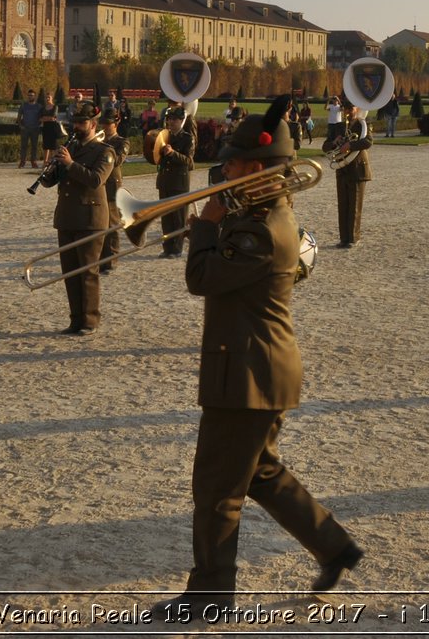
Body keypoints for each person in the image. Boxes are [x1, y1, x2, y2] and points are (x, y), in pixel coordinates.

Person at [155, 96, 362, 617]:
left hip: (247, 374)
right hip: (256, 369)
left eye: (236, 164)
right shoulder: (260, 216)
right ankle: (335, 547)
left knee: (217, 490)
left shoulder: (262, 229)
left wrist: (205, 223)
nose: (226, 169)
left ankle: (209, 598)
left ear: (263, 169)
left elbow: (200, 278)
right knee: (260, 472)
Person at [48, 102, 115, 335]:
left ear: (93, 124)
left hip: (90, 218)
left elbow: (96, 180)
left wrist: (70, 164)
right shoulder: (71, 147)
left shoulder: (104, 151)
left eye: (82, 122)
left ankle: (90, 320)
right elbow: (53, 181)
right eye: (75, 122)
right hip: (67, 216)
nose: (77, 126)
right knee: (70, 272)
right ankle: (75, 319)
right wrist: (52, 169)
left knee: (87, 272)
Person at [155, 108, 196, 259]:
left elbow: (189, 162)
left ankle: (177, 248)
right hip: (165, 181)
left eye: (174, 119)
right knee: (166, 217)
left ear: (181, 121)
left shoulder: (188, 138)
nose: (171, 122)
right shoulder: (165, 136)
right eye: (169, 119)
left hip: (179, 182)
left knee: (178, 217)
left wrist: (173, 153)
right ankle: (167, 248)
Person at [333, 105, 373, 249]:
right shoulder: (339, 126)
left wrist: (350, 144)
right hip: (342, 168)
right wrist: (334, 142)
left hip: (357, 168)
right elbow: (326, 146)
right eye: (346, 109)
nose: (348, 112)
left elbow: (368, 141)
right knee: (343, 205)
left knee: (354, 205)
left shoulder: (364, 123)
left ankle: (353, 237)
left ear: (357, 109)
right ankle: (344, 238)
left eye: (351, 109)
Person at [98, 108, 131, 276]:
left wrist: (103, 147)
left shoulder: (122, 142)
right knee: (100, 223)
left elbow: (116, 160)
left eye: (108, 124)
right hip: (99, 185)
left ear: (116, 124)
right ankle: (101, 260)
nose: (104, 127)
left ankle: (111, 260)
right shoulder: (99, 140)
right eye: (103, 123)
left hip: (112, 185)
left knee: (112, 223)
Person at [16, 89, 43, 169]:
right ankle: (22, 161)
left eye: (31, 95)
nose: (30, 97)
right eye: (29, 95)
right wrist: (20, 126)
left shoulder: (39, 106)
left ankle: (33, 161)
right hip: (25, 129)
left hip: (35, 129)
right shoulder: (23, 105)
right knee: (23, 146)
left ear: (35, 96)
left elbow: (42, 117)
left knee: (34, 146)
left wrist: (39, 124)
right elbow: (19, 116)